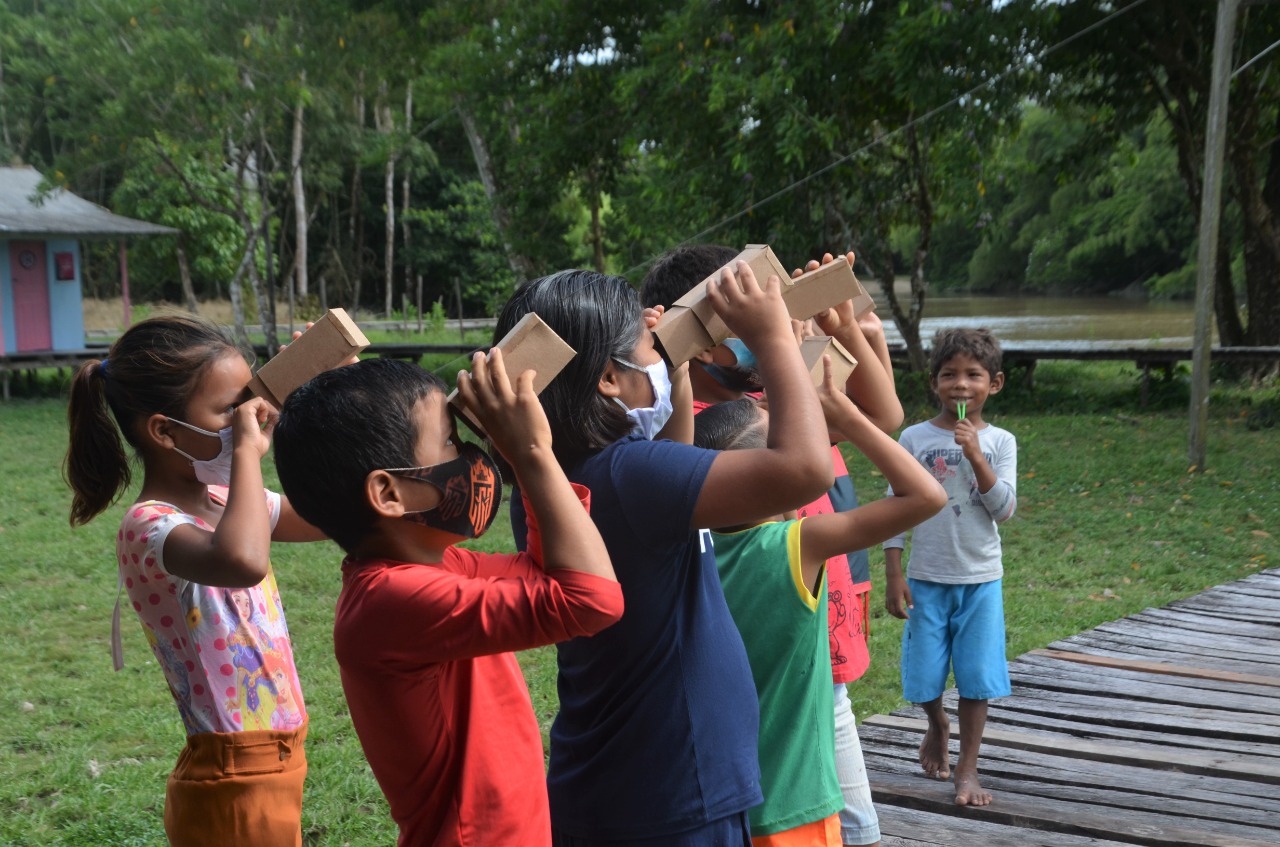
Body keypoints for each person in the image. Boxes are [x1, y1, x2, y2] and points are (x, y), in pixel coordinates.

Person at [494, 264, 833, 846]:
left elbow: (671, 470)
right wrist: (775, 336)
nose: (656, 347)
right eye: (647, 343)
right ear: (607, 377)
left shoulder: (556, 480)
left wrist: (668, 367)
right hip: (678, 788)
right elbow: (805, 470)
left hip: (621, 778)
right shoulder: (632, 476)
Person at [271, 354, 624, 847]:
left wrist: (524, 454)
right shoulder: (390, 601)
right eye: (451, 443)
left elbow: (550, 572)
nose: (472, 456)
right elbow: (589, 600)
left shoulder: (438, 567)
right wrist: (531, 453)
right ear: (389, 493)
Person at [644, 245, 901, 847]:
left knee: (854, 821)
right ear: (702, 340)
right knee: (779, 811)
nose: (771, 325)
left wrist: (838, 325)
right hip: (756, 655)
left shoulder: (772, 400)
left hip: (814, 653)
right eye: (749, 317)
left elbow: (882, 414)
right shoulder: (707, 424)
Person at [64, 314, 328, 846]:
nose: (252, 418)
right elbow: (242, 560)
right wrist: (250, 455)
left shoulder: (221, 500)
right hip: (232, 774)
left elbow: (330, 514)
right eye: (232, 408)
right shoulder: (150, 526)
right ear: (164, 431)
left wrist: (326, 402)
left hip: (274, 757)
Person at [694, 361, 946, 846]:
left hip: (714, 802)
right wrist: (849, 418)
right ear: (776, 476)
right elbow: (926, 496)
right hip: (792, 806)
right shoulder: (794, 548)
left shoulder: (684, 550)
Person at [883, 327, 1017, 807]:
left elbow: (1003, 510)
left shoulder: (1001, 441)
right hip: (926, 577)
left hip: (980, 580)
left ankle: (967, 767)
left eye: (973, 375)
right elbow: (896, 503)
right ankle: (937, 724)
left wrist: (977, 457)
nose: (961, 385)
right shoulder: (915, 438)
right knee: (923, 673)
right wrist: (894, 570)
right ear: (934, 382)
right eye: (949, 375)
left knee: (977, 676)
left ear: (994, 384)